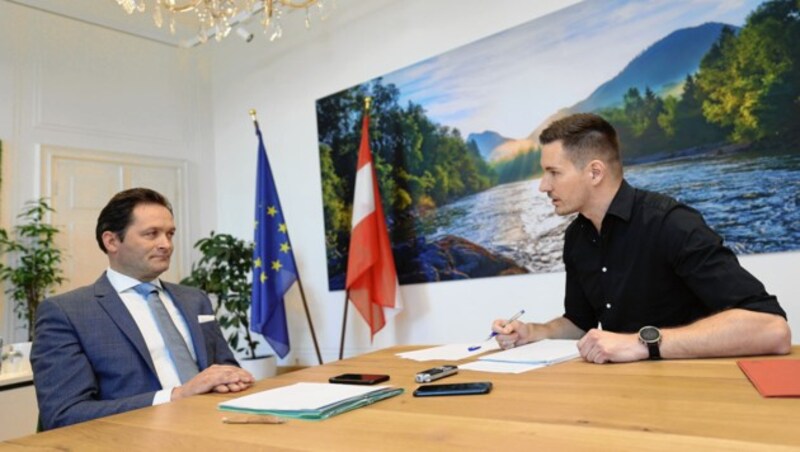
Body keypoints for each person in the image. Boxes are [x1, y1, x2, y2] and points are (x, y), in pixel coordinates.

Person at [493, 113, 791, 364]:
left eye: (553, 172)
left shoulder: (670, 223)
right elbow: (579, 324)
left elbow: (772, 329)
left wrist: (640, 344)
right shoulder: (576, 236)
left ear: (595, 172)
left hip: (695, 388)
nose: (543, 186)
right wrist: (532, 332)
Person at [31, 188, 254, 430]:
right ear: (112, 241)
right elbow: (65, 413)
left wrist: (233, 378)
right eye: (151, 234)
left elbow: (226, 367)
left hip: (216, 428)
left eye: (170, 234)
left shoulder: (194, 299)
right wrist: (177, 395)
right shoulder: (66, 313)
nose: (166, 244)